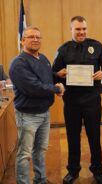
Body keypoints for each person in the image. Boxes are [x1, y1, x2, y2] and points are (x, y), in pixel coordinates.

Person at [52, 16, 102, 184]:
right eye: (78, 29)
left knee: (94, 136)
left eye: (84, 29)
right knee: (72, 136)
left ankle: (97, 170)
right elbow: (53, 71)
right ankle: (73, 170)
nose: (82, 32)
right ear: (71, 29)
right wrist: (58, 74)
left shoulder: (97, 46)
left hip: (92, 100)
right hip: (71, 101)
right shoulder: (63, 49)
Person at [9, 26, 65, 184]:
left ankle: (40, 179)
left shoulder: (43, 58)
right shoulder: (18, 63)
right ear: (22, 40)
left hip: (44, 113)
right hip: (27, 115)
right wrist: (56, 88)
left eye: (38, 37)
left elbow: (46, 77)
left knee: (40, 150)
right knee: (25, 154)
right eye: (31, 37)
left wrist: (56, 76)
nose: (35, 40)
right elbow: (33, 87)